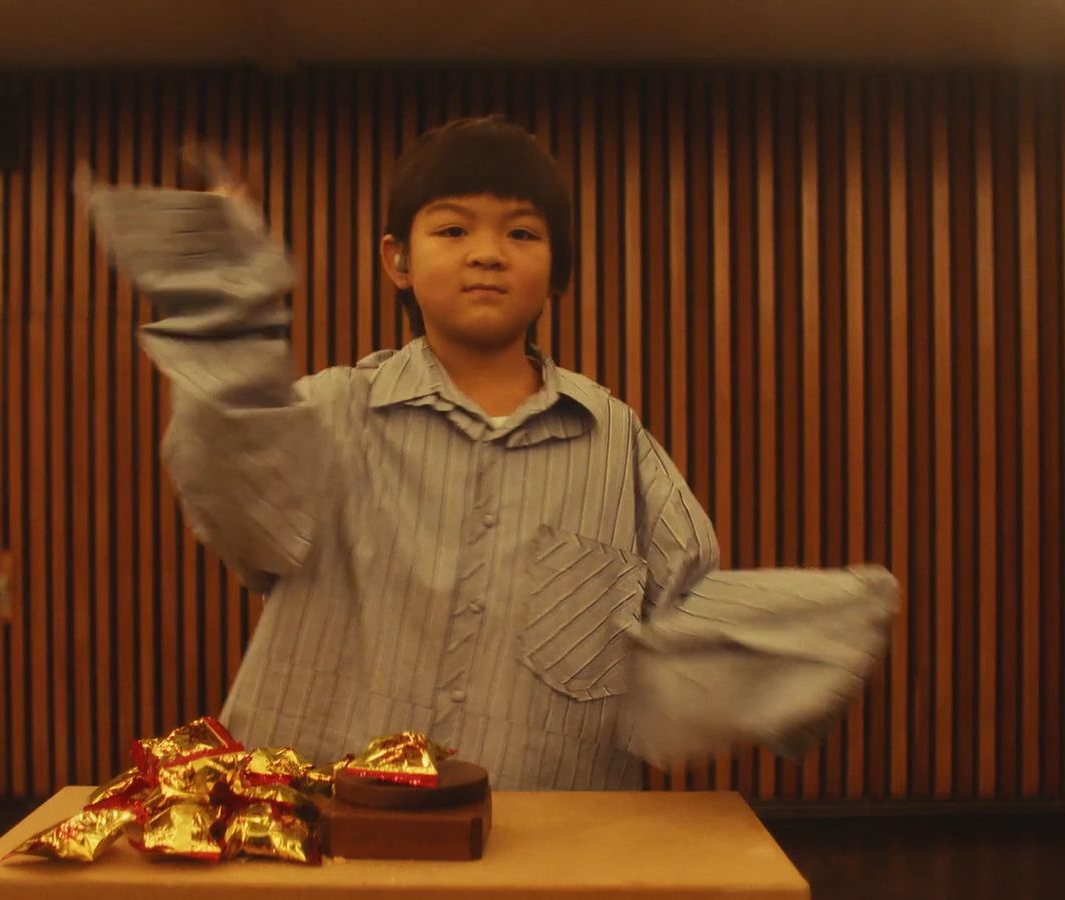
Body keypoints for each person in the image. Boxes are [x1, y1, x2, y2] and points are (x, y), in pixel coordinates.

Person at [84, 115, 896, 790]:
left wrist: (803, 633)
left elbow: (679, 607)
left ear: (557, 270)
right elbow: (240, 504)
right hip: (320, 828)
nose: (486, 251)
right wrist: (227, 305)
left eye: (522, 231)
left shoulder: (616, 439)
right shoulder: (331, 410)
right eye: (452, 227)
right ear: (396, 261)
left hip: (543, 841)